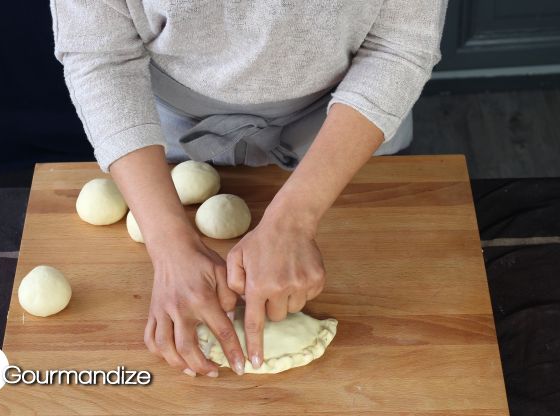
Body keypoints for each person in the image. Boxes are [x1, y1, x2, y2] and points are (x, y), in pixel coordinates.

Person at [50, 0, 447, 377]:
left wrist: (295, 217)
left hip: (347, 128)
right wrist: (166, 239)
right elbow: (100, 52)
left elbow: (399, 44)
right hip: (163, 134)